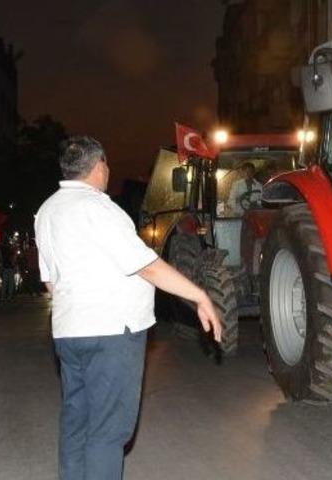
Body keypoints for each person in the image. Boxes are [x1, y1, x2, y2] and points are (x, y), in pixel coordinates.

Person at [35, 136, 223, 480]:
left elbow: (51, 282)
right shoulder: (101, 209)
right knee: (107, 433)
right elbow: (147, 266)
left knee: (77, 422)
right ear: (99, 166)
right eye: (107, 165)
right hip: (112, 335)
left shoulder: (47, 211)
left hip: (68, 333)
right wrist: (199, 295)